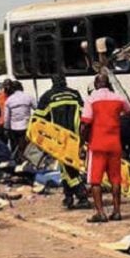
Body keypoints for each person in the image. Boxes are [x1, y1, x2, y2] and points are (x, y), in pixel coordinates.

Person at [80, 74, 130, 223]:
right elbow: (129, 110)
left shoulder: (91, 99)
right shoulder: (118, 98)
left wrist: (81, 143)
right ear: (108, 84)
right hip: (115, 144)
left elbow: (85, 123)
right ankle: (117, 211)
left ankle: (100, 213)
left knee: (95, 180)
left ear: (96, 84)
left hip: (97, 144)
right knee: (115, 179)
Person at [36, 74, 90, 210]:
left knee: (67, 168)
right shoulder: (75, 94)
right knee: (67, 167)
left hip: (59, 137)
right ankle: (68, 196)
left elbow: (39, 118)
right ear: (65, 81)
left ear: (52, 82)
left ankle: (82, 194)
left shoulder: (48, 96)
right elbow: (83, 114)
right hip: (75, 136)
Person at [4, 81, 36, 159]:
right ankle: (27, 160)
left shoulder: (9, 100)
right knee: (27, 146)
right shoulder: (29, 97)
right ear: (21, 88)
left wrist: (6, 128)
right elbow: (37, 108)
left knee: (16, 147)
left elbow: (7, 117)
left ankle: (18, 161)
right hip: (26, 126)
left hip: (14, 128)